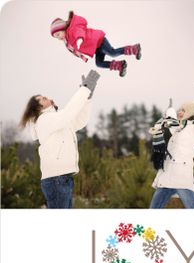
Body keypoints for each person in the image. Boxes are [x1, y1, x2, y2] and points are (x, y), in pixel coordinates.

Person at [19, 70, 100, 208]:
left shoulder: (56, 119)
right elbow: (69, 112)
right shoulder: (44, 120)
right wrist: (84, 89)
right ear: (38, 108)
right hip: (56, 179)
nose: (47, 98)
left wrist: (88, 98)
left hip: (63, 178)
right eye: (42, 99)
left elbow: (80, 120)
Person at [149, 75, 194, 209]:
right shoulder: (180, 128)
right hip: (167, 176)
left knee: (193, 211)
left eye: (183, 110)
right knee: (153, 211)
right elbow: (172, 122)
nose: (180, 112)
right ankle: (148, 230)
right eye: (179, 110)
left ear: (191, 113)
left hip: (181, 176)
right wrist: (169, 110)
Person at [50, 11, 141, 77]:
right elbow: (73, 50)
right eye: (56, 37)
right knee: (99, 64)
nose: (58, 38)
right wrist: (81, 57)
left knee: (112, 52)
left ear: (62, 28)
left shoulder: (72, 29)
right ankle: (120, 65)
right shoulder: (67, 41)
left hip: (99, 40)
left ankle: (134, 49)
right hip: (96, 48)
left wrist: (79, 40)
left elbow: (79, 33)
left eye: (58, 34)